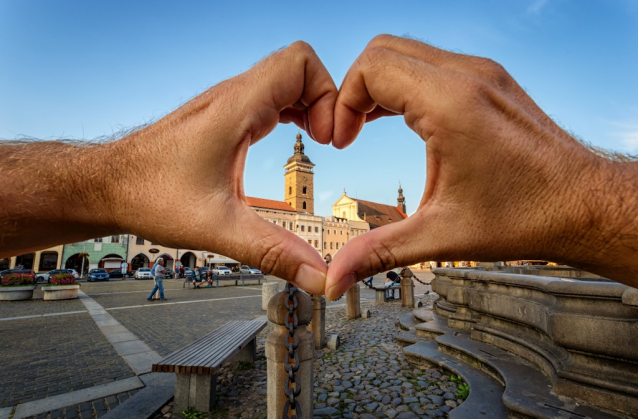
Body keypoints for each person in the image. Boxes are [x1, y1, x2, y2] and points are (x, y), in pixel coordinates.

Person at [1, 36, 637, 299]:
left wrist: (578, 201)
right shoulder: (297, 196)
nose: (299, 179)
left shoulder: (334, 205)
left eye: (300, 178)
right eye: (295, 177)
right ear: (291, 178)